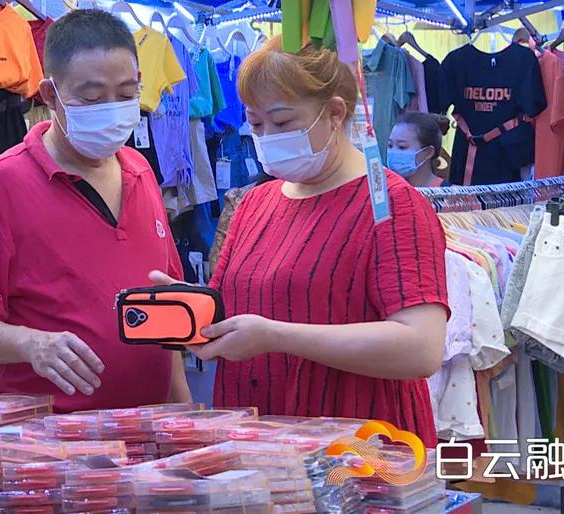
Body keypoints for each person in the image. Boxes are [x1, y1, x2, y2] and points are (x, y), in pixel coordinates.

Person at [152, 37, 448, 446]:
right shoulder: (254, 203)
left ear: (334, 113)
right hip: (261, 448)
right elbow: (237, 307)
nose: (267, 136)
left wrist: (278, 336)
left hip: (359, 449)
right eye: (255, 124)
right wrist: (193, 309)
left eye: (283, 122)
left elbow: (421, 348)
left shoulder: (392, 205)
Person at [0, 9, 190, 413]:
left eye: (126, 95)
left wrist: (183, 416)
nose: (111, 108)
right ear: (50, 95)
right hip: (49, 448)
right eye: (90, 98)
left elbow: (165, 316)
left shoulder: (141, 172)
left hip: (148, 437)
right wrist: (31, 343)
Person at [387, 112, 451, 187]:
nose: (393, 152)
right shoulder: (383, 194)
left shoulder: (455, 196)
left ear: (428, 152)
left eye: (402, 147)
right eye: (390, 145)